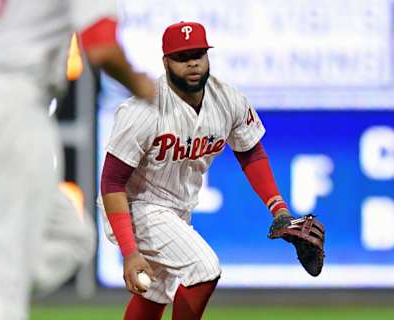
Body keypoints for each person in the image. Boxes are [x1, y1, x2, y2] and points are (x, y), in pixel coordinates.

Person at [0, 0, 156, 319]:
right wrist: (143, 86)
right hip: (8, 101)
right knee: (4, 292)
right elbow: (101, 47)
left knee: (70, 235)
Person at [100, 21, 294, 320]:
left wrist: (278, 208)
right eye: (181, 56)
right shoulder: (142, 109)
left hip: (176, 208)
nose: (192, 62)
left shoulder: (227, 100)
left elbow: (251, 152)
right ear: (165, 62)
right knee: (204, 268)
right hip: (134, 206)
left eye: (198, 54)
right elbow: (111, 181)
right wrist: (129, 251)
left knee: (155, 292)